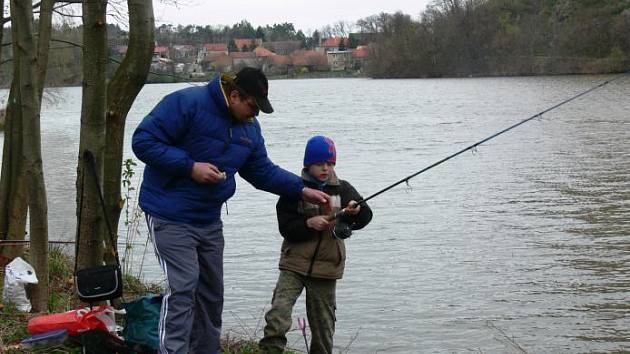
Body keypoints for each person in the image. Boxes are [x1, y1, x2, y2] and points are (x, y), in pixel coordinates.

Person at [131, 67, 330, 354]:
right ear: (235, 95)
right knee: (184, 287)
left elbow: (262, 171)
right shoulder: (186, 103)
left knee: (211, 294)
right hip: (169, 213)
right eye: (252, 107)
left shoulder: (249, 128)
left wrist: (300, 189)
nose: (255, 114)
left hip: (208, 220)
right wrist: (190, 167)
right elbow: (143, 141)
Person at [259, 135, 373, 354]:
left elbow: (365, 217)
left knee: (323, 327)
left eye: (330, 164)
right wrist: (309, 223)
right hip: (293, 265)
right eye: (320, 164)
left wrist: (354, 213)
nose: (326, 168)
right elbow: (286, 227)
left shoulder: (344, 189)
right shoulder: (293, 189)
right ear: (307, 164)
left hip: (327, 269)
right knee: (278, 315)